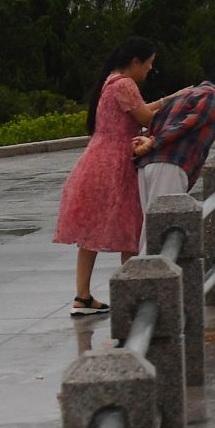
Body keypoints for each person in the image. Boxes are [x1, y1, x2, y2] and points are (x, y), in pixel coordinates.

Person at [53, 37, 172, 316]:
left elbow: (139, 110)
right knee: (131, 227)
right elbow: (145, 119)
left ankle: (82, 296)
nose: (149, 71)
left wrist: (166, 101)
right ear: (136, 62)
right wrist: (176, 108)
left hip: (96, 159)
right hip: (117, 162)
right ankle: (130, 296)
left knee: (90, 231)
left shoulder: (111, 81)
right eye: (149, 65)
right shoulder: (126, 84)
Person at [131, 65, 215, 243]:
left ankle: (151, 267)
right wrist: (153, 142)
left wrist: (149, 141)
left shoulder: (189, 93)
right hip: (170, 164)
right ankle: (154, 269)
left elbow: (157, 119)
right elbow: (189, 123)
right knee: (165, 226)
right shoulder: (212, 96)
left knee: (151, 228)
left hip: (150, 163)